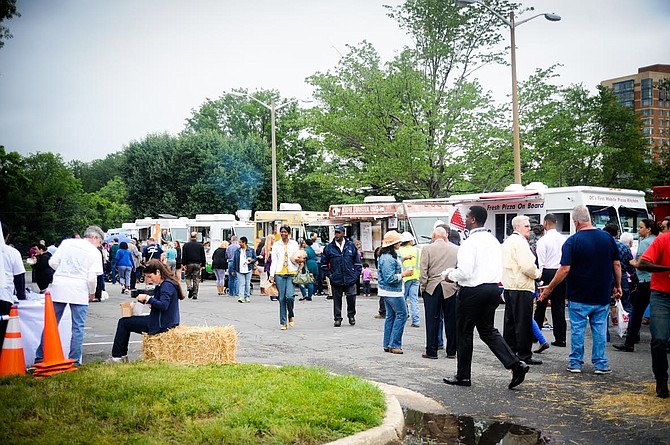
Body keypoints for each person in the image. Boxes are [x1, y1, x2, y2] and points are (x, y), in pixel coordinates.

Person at [443, 206, 530, 389]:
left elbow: (465, 272)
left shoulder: (470, 242)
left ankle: (463, 375)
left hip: (473, 290)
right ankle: (515, 364)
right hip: (492, 289)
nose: (465, 220)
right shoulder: (493, 240)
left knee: (464, 332)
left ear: (473, 219)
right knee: (488, 330)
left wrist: (450, 275)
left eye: (467, 217)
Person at [539, 205, 621, 375]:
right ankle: (600, 364)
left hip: (579, 293)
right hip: (601, 292)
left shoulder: (573, 240)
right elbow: (617, 264)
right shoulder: (607, 238)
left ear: (575, 221)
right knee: (599, 329)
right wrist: (618, 285)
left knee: (578, 329)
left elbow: (565, 269)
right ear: (589, 218)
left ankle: (576, 362)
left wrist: (550, 287)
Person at [35, 225, 105, 366]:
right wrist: (92, 293)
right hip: (79, 289)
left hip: (60, 286)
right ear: (95, 238)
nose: (99, 245)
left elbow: (53, 262)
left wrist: (63, 272)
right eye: (100, 242)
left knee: (51, 323)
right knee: (77, 327)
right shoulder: (95, 253)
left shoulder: (67, 243)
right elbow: (92, 278)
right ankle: (74, 360)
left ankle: (41, 357)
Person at [106, 259, 182, 363]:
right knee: (126, 322)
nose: (149, 279)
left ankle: (118, 356)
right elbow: (162, 305)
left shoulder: (166, 285)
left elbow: (163, 305)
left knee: (124, 322)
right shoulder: (167, 284)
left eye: (150, 276)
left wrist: (148, 298)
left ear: (158, 272)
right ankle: (120, 356)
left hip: (161, 324)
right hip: (165, 320)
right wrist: (150, 302)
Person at [502, 215, 543, 366]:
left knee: (510, 322)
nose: (530, 228)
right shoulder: (520, 242)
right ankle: (525, 354)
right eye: (526, 226)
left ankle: (509, 353)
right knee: (523, 322)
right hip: (521, 286)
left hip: (510, 286)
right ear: (517, 227)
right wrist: (538, 274)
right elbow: (527, 266)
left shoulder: (507, 242)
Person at [614, 219, 659, 352]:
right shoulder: (658, 240)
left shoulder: (645, 243)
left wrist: (633, 263)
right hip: (656, 280)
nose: (639, 230)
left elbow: (642, 263)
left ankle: (630, 341)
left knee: (637, 311)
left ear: (649, 229)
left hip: (645, 280)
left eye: (641, 227)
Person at [636, 227, 670, 397]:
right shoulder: (663, 240)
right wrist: (667, 268)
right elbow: (643, 263)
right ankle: (661, 379)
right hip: (662, 295)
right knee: (659, 339)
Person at [419, 227, 458, 359]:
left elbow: (424, 270)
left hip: (432, 286)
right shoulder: (455, 249)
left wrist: (423, 287)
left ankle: (432, 350)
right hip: (450, 287)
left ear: (434, 236)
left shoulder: (427, 249)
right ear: (446, 236)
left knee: (432, 320)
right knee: (451, 320)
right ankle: (452, 351)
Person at [534, 213, 568, 348]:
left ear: (545, 223)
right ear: (556, 222)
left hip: (547, 272)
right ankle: (561, 338)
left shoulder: (543, 240)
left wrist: (539, 277)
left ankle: (535, 335)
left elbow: (541, 261)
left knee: (541, 304)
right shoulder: (563, 239)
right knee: (558, 305)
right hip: (560, 272)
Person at [378, 231, 414, 354]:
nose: (400, 243)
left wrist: (404, 259)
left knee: (390, 316)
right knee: (402, 315)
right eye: (398, 241)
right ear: (393, 244)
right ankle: (394, 344)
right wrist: (404, 274)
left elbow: (395, 262)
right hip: (393, 292)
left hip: (387, 292)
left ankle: (387, 344)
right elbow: (390, 278)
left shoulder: (388, 255)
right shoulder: (388, 258)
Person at [320, 225, 362, 327]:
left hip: (350, 277)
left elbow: (357, 262)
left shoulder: (350, 246)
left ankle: (351, 315)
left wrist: (355, 274)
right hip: (336, 278)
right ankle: (337, 318)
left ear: (343, 233)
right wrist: (330, 275)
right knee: (337, 299)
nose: (337, 234)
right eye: (336, 232)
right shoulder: (329, 247)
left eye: (339, 232)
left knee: (351, 298)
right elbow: (324, 264)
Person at [269, 226, 301, 330]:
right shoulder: (276, 245)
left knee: (290, 296)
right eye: (282, 232)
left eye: (285, 232)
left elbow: (298, 257)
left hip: (291, 272)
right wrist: (272, 275)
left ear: (289, 233)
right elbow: (274, 260)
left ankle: (290, 314)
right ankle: (283, 322)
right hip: (279, 273)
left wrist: (300, 262)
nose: (283, 234)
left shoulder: (294, 244)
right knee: (282, 298)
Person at [0, 222, 26, 349]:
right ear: (7, 236)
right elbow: (19, 276)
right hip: (4, 297)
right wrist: (21, 296)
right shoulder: (12, 252)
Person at [604, 223, 637, 315]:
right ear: (617, 233)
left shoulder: (602, 246)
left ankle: (604, 329)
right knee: (625, 303)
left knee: (604, 305)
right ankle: (630, 327)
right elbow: (631, 265)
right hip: (622, 276)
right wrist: (634, 279)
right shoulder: (624, 247)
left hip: (605, 275)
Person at [398, 232, 421, 328]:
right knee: (414, 299)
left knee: (402, 299)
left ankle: (404, 315)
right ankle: (416, 320)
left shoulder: (399, 250)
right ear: (411, 241)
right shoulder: (418, 250)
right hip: (415, 277)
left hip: (404, 278)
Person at [181, 232, 206, 300]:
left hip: (189, 263)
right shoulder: (200, 245)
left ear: (190, 237)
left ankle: (189, 287)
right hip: (197, 264)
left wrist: (183, 264)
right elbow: (203, 255)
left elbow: (184, 255)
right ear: (196, 237)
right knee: (196, 279)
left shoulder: (186, 245)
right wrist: (203, 264)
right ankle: (195, 293)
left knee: (187, 277)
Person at [232, 236, 257, 303]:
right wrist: (233, 270)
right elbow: (234, 260)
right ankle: (241, 297)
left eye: (240, 242)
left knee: (247, 283)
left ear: (244, 242)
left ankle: (247, 296)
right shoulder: (237, 251)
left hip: (248, 269)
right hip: (239, 269)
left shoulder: (251, 250)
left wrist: (251, 260)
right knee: (241, 283)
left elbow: (255, 258)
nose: (239, 243)